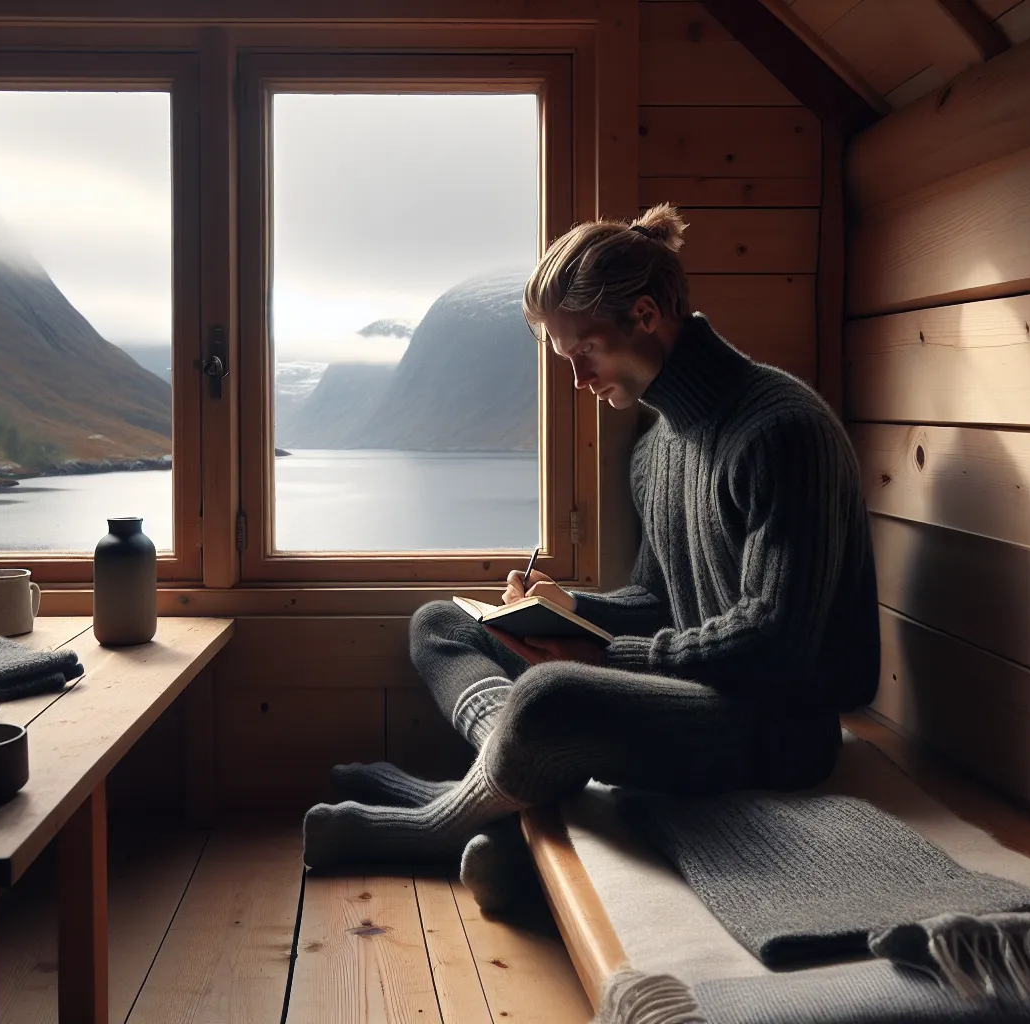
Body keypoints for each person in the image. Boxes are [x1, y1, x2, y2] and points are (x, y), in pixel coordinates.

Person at [303, 204, 880, 906]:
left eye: (585, 355)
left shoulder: (782, 430)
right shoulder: (656, 448)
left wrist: (603, 659)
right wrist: (563, 611)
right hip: (693, 694)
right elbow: (659, 600)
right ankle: (493, 783)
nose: (577, 381)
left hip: (780, 724)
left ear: (644, 315)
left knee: (556, 695)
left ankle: (440, 820)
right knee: (444, 624)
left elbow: (778, 644)